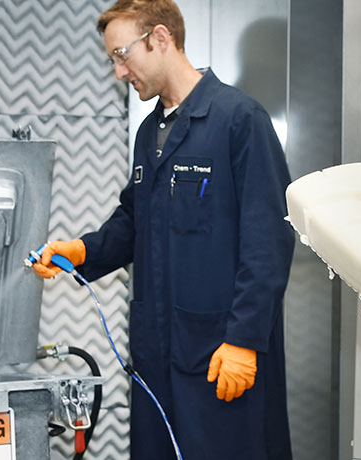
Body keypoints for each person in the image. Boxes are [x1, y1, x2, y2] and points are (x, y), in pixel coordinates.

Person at [31, 1, 295, 459]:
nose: (119, 72)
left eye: (121, 55)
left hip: (218, 356)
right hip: (157, 358)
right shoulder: (150, 132)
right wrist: (81, 251)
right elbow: (134, 220)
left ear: (159, 38)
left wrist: (244, 340)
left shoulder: (239, 121)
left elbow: (268, 240)